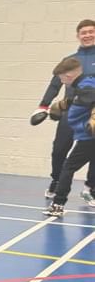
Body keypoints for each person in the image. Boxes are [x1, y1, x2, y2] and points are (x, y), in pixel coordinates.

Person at [31, 18, 95, 202]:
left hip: (92, 115)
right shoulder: (70, 60)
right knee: (59, 150)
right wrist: (43, 106)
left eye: (91, 31)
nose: (88, 35)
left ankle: (90, 188)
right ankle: (57, 181)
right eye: (84, 32)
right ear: (78, 36)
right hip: (71, 113)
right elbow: (54, 85)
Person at [42, 56, 95, 219]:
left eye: (62, 79)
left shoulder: (86, 85)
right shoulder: (85, 84)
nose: (62, 82)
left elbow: (89, 97)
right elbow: (83, 99)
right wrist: (63, 104)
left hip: (90, 138)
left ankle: (58, 205)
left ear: (69, 76)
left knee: (68, 167)